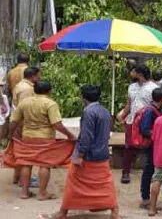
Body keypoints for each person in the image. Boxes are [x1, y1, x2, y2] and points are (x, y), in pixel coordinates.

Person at [40, 85, 119, 219]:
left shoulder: (88, 112)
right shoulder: (105, 111)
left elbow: (86, 137)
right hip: (102, 153)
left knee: (73, 181)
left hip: (89, 155)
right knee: (105, 183)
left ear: (83, 97)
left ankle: (63, 212)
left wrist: (80, 155)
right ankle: (114, 211)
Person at [5, 80, 77, 200]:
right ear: (49, 91)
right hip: (45, 138)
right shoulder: (50, 104)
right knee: (45, 164)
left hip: (27, 136)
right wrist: (70, 135)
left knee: (26, 163)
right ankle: (42, 193)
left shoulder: (24, 102)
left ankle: (24, 192)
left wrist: (10, 134)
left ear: (34, 90)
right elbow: (57, 124)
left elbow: (14, 121)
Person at [117, 63, 157, 184]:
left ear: (139, 74)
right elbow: (129, 104)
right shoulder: (132, 87)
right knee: (128, 146)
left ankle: (152, 173)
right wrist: (123, 116)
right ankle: (125, 172)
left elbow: (157, 106)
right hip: (132, 119)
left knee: (150, 146)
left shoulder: (154, 88)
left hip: (146, 121)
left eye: (134, 71)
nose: (132, 73)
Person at [138, 87, 162, 209]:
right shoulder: (150, 111)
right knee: (149, 170)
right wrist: (158, 135)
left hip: (158, 145)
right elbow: (144, 129)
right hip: (152, 146)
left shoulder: (158, 109)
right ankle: (145, 199)